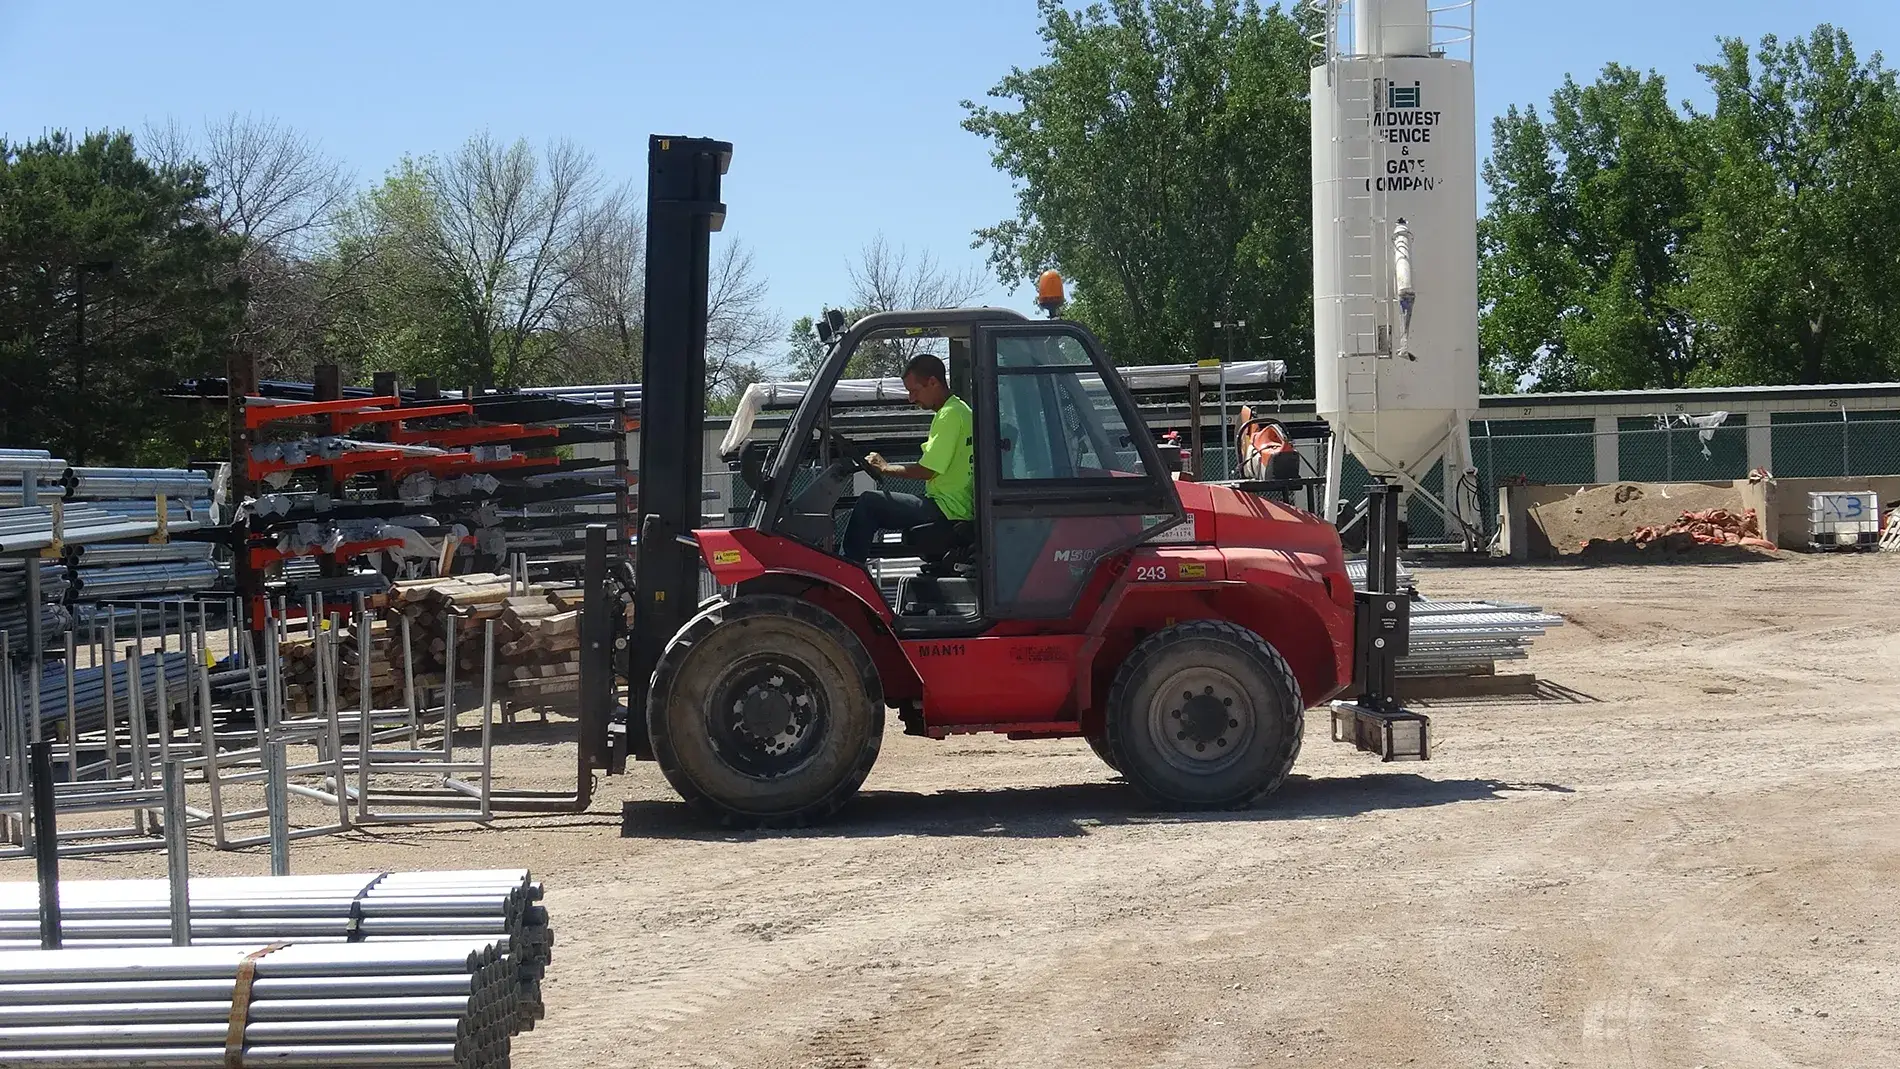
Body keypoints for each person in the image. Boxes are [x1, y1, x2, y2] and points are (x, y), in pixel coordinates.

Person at [840, 353, 974, 563]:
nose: (911, 398)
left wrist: (884, 468)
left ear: (933, 382)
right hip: (954, 507)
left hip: (946, 509)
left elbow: (927, 470)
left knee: (869, 503)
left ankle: (846, 572)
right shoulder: (961, 411)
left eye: (914, 391)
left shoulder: (949, 415)